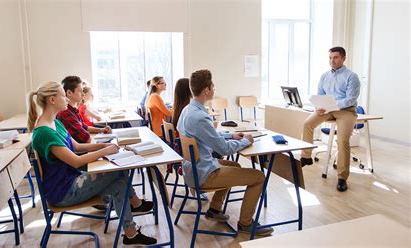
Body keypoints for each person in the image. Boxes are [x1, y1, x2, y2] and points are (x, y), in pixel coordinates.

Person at [28, 81, 157, 245]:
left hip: (71, 181)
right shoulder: (45, 132)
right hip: (63, 192)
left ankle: (131, 234)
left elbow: (77, 146)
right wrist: (105, 151)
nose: (66, 99)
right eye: (62, 95)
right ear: (52, 100)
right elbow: (75, 161)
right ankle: (135, 205)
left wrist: (103, 145)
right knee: (119, 171)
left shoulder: (55, 122)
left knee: (120, 185)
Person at [176, 69, 273, 235]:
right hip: (204, 174)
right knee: (258, 177)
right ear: (206, 90)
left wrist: (231, 135)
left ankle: (214, 209)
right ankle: (246, 224)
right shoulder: (200, 116)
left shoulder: (187, 110)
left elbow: (208, 135)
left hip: (192, 170)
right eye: (213, 86)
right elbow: (223, 149)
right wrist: (245, 141)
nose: (214, 89)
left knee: (234, 165)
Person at [300, 46, 360, 192]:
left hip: (346, 111)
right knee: (307, 124)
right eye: (330, 58)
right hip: (327, 109)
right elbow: (320, 94)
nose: (332, 61)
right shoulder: (324, 76)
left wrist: (333, 105)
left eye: (335, 57)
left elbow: (350, 99)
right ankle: (306, 156)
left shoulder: (352, 76)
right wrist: (319, 106)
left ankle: (342, 177)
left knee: (342, 140)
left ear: (343, 58)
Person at [56, 76, 112, 144]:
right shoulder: (66, 113)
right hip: (80, 151)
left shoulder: (74, 110)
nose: (83, 94)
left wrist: (102, 130)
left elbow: (84, 126)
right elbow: (86, 138)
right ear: (69, 93)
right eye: (80, 91)